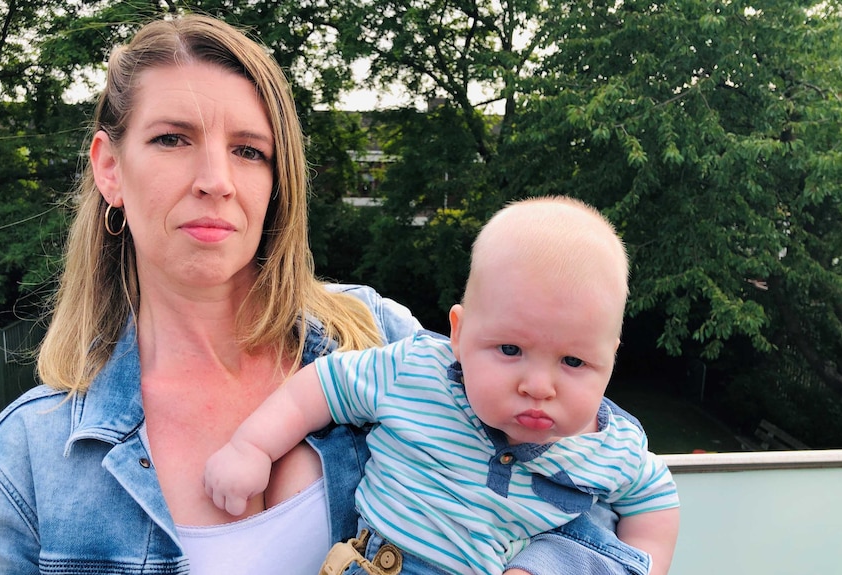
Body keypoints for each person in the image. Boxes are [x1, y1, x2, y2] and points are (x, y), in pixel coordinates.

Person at [0, 14, 653, 575]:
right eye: (173, 139)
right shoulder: (31, 451)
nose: (217, 180)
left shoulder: (374, 335)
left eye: (250, 150)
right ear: (109, 167)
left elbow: (582, 457)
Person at [204, 196, 681, 575]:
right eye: (510, 350)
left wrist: (645, 565)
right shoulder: (417, 372)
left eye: (573, 361)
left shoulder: (611, 448)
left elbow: (655, 505)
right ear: (458, 333)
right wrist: (252, 447)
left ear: (610, 360)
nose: (538, 386)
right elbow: (322, 387)